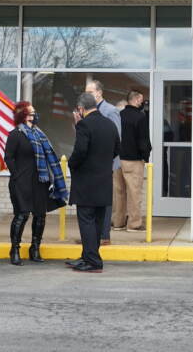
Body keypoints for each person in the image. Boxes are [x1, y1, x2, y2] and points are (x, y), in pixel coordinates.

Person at [4, 101, 68, 266]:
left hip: (41, 181)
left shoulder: (40, 134)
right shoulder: (15, 134)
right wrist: (17, 175)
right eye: (32, 113)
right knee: (22, 215)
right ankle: (15, 249)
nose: (35, 115)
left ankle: (35, 248)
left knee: (40, 215)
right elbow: (9, 158)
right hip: (21, 182)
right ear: (24, 116)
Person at [67, 93, 120, 273]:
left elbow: (80, 151)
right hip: (104, 180)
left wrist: (71, 164)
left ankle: (93, 261)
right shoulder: (110, 124)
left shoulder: (84, 125)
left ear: (81, 109)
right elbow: (116, 149)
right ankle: (87, 256)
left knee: (86, 221)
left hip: (87, 182)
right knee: (97, 222)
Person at [84, 79, 121, 244]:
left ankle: (104, 236)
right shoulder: (86, 110)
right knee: (92, 200)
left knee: (104, 200)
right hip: (91, 164)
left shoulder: (111, 110)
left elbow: (115, 138)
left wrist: (109, 162)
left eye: (90, 92)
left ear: (99, 92)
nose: (87, 95)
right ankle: (93, 236)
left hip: (106, 164)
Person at [113, 90, 151, 232]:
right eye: (141, 100)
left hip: (117, 160)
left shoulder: (118, 116)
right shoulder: (140, 117)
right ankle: (134, 224)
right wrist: (145, 156)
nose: (142, 103)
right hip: (133, 160)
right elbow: (143, 140)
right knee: (134, 193)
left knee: (119, 192)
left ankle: (118, 223)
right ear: (135, 100)